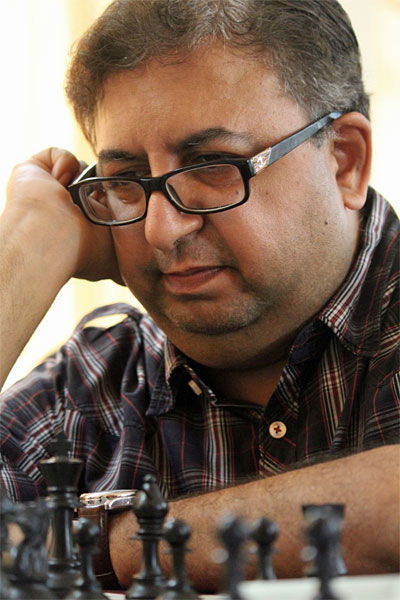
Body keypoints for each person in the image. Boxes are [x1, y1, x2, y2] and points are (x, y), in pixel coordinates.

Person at [0, 0, 399, 591]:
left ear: (345, 161)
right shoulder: (85, 391)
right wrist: (26, 251)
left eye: (212, 164)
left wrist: (108, 542)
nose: (161, 231)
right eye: (127, 180)